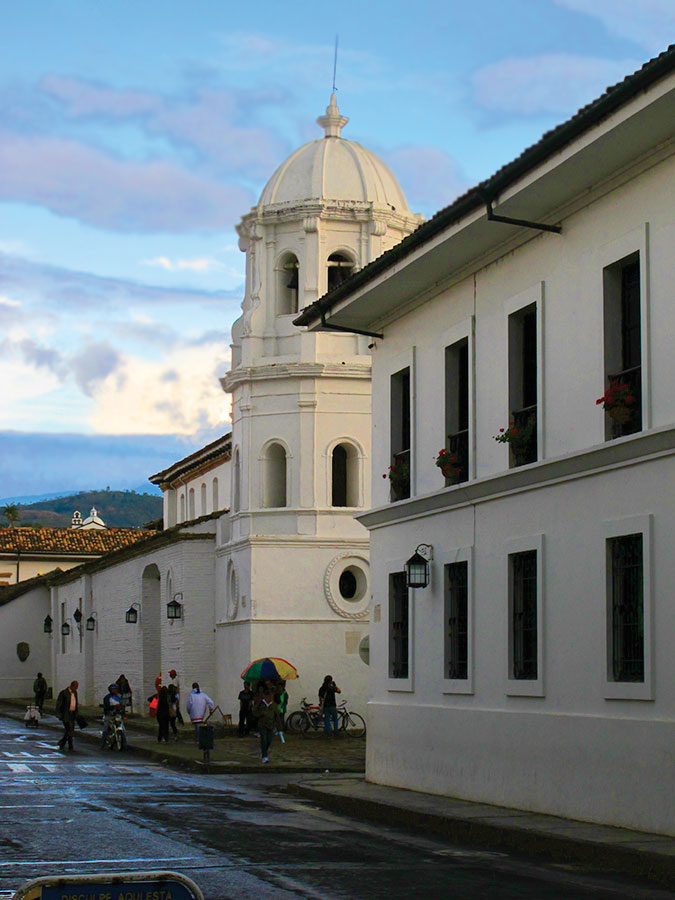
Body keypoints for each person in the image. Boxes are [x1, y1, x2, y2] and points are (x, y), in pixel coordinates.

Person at [252, 683, 282, 763]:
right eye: (270, 696)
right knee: (264, 740)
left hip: (271, 725)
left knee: (269, 740)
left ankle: (263, 751)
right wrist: (261, 713)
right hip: (262, 725)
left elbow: (277, 716)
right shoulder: (260, 704)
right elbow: (254, 712)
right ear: (266, 696)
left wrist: (280, 728)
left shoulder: (273, 705)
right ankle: (264, 756)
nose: (271, 698)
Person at [55, 680, 79, 752]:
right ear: (72, 686)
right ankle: (70, 746)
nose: (76, 689)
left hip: (72, 714)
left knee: (69, 730)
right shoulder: (64, 693)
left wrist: (76, 713)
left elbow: (76, 703)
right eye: (75, 687)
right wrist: (59, 714)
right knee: (69, 729)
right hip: (65, 714)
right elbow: (59, 704)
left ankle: (62, 743)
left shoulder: (75, 693)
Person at [101, 682, 124, 749]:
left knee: (123, 729)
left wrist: (122, 712)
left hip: (117, 714)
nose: (115, 690)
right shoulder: (107, 697)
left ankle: (124, 744)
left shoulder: (119, 697)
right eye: (113, 689)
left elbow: (122, 705)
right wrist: (112, 707)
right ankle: (102, 744)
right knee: (105, 729)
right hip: (109, 714)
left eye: (116, 689)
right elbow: (106, 706)